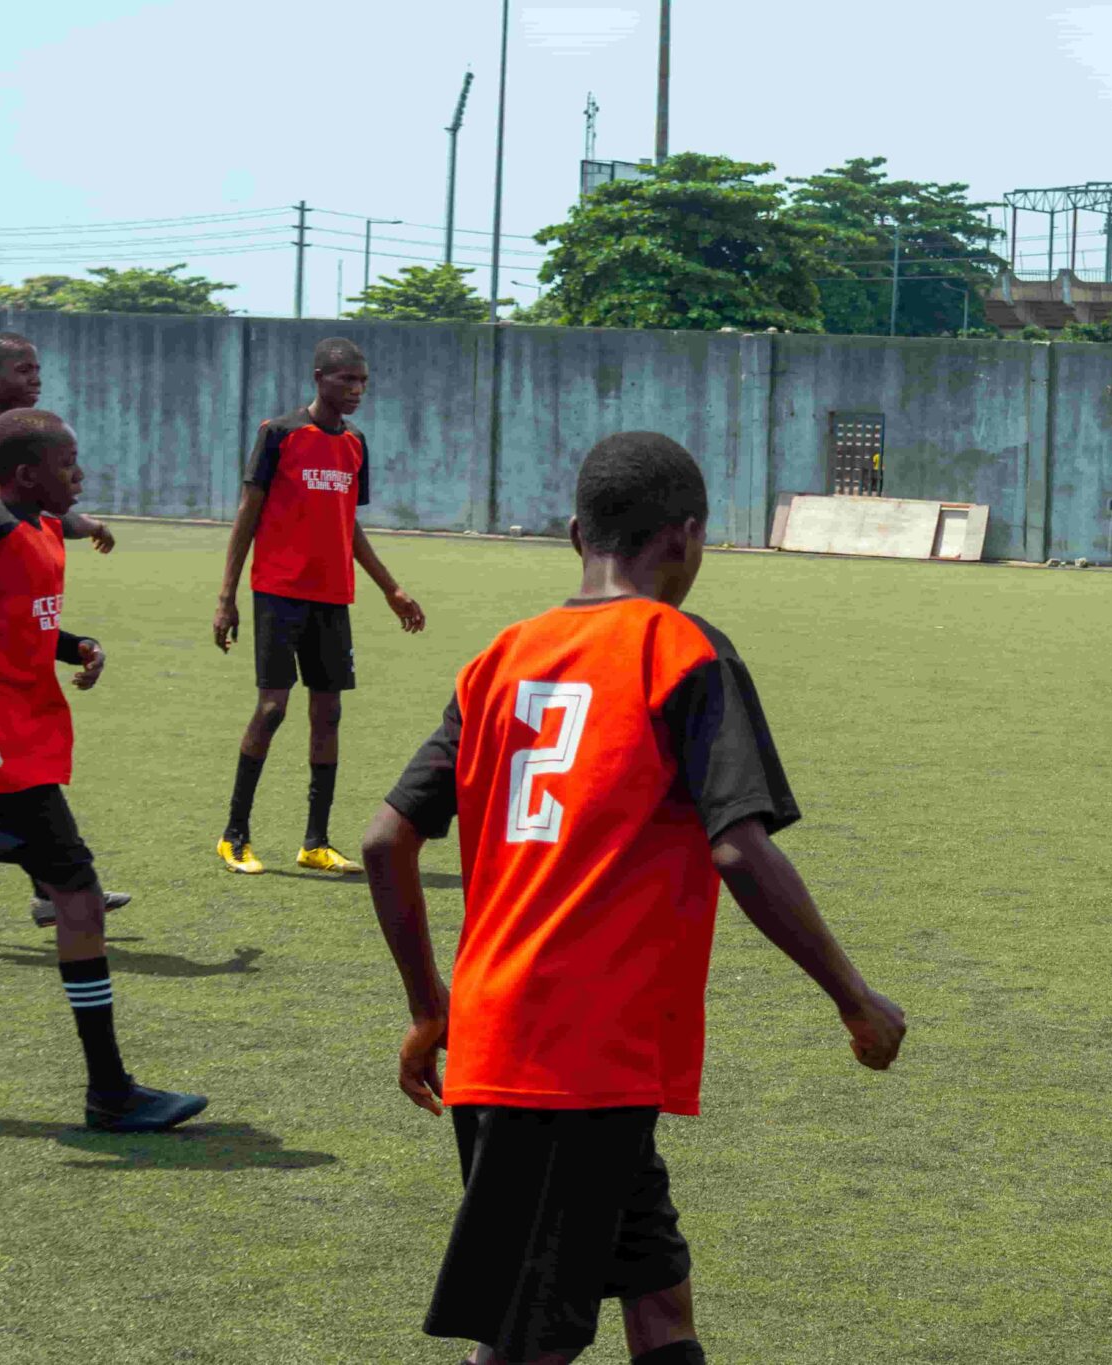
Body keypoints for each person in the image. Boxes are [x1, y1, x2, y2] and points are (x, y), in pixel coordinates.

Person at [363, 431, 906, 1364]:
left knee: (657, 1292)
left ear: (577, 533)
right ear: (688, 537)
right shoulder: (681, 651)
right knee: (526, 1342)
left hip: (515, 1038)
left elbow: (385, 841)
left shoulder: (498, 660)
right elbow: (739, 848)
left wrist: (427, 1005)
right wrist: (855, 999)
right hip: (575, 1059)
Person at [0, 409, 206, 1131]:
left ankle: (110, 1089)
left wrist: (76, 643)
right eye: (68, 462)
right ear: (27, 474)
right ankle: (109, 1092)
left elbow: (23, 622)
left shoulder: (45, 530)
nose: (79, 474)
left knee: (77, 897)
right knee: (79, 899)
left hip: (26, 748)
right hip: (8, 760)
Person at [211, 337, 425, 876]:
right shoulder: (279, 434)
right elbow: (248, 513)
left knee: (328, 714)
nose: (356, 390)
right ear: (319, 378)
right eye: (346, 379)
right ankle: (234, 835)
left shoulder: (355, 444)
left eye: (363, 382)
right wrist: (227, 596)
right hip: (279, 592)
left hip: (333, 598)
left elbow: (347, 523)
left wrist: (389, 588)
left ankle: (316, 842)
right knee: (273, 708)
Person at [0, 331, 130, 925]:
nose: (36, 377)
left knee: (30, 805)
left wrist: (73, 645)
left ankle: (61, 885)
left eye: (37, 368)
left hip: (25, 694)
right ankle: (66, 887)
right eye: (22, 368)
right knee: (38, 816)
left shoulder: (31, 448)